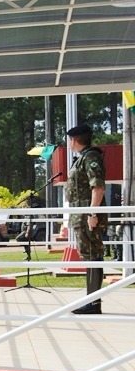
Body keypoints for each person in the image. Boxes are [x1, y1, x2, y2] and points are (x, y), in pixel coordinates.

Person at [65, 124, 108, 314]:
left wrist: (92, 214)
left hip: (87, 217)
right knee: (89, 255)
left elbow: (97, 188)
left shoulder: (90, 157)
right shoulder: (82, 158)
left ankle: (93, 303)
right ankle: (92, 300)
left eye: (69, 140)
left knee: (93, 255)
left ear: (74, 140)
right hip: (81, 216)